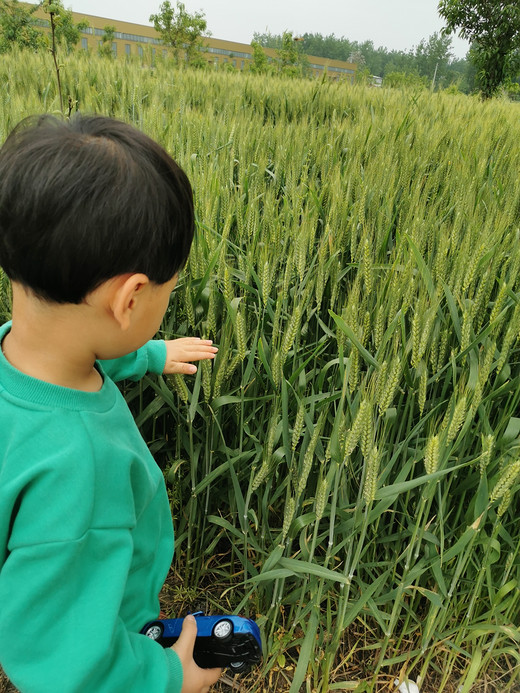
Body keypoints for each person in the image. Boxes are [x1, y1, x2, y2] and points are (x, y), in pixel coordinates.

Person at [0, 114, 221, 693]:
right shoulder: (80, 471)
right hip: (106, 619)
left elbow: (78, 347)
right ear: (130, 300)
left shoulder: (16, 349)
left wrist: (147, 355)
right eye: (164, 295)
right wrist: (170, 676)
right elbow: (67, 663)